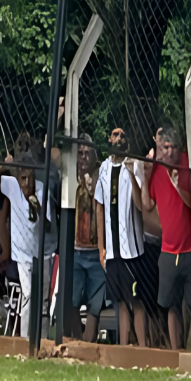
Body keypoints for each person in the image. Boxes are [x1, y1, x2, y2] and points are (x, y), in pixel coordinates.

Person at [141, 124, 191, 350]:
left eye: (173, 147)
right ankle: (175, 351)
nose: (169, 152)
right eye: (165, 147)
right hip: (168, 249)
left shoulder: (186, 162)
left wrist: (177, 184)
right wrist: (144, 177)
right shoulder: (154, 168)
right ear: (158, 147)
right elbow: (147, 203)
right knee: (171, 306)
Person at [0, 153, 52, 338]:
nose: (26, 182)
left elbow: (47, 226)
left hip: (42, 252)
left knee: (44, 301)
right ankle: (26, 339)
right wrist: (7, 165)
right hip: (21, 253)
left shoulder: (41, 189)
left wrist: (37, 206)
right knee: (29, 294)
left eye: (30, 178)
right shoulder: (12, 186)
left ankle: (43, 339)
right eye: (23, 178)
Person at [95, 126, 147, 347]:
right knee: (120, 301)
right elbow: (99, 206)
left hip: (132, 249)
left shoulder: (135, 165)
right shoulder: (104, 168)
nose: (119, 138)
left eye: (123, 135)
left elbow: (139, 203)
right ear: (109, 139)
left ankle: (143, 348)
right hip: (112, 248)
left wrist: (132, 175)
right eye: (115, 134)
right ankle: (124, 348)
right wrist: (101, 246)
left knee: (136, 301)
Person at [72, 135, 107, 342]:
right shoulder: (72, 177)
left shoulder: (100, 176)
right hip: (76, 249)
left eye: (87, 153)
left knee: (96, 302)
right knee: (72, 299)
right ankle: (76, 341)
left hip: (95, 250)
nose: (83, 157)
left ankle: (88, 342)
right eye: (80, 153)